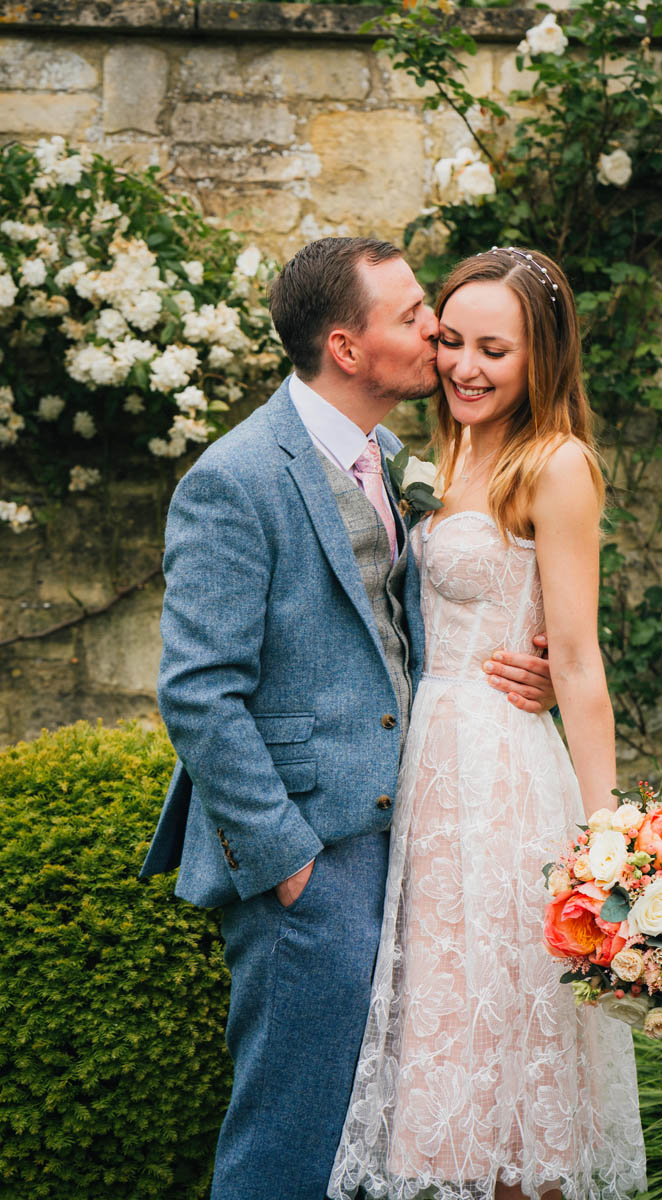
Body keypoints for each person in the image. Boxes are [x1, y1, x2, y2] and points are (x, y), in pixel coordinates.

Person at [139, 237, 556, 1200]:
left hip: (411, 841)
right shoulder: (235, 479)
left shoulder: (394, 458)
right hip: (309, 857)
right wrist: (289, 864)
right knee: (290, 1140)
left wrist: (520, 662)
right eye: (413, 317)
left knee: (370, 1146)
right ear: (347, 347)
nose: (437, 332)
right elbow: (199, 689)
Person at [329, 248, 648, 1200]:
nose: (466, 365)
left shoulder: (556, 464)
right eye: (452, 341)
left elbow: (581, 660)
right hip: (430, 769)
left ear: (540, 359)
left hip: (504, 776)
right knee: (448, 1040)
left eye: (494, 350)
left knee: (513, 1041)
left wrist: (613, 843)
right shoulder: (439, 450)